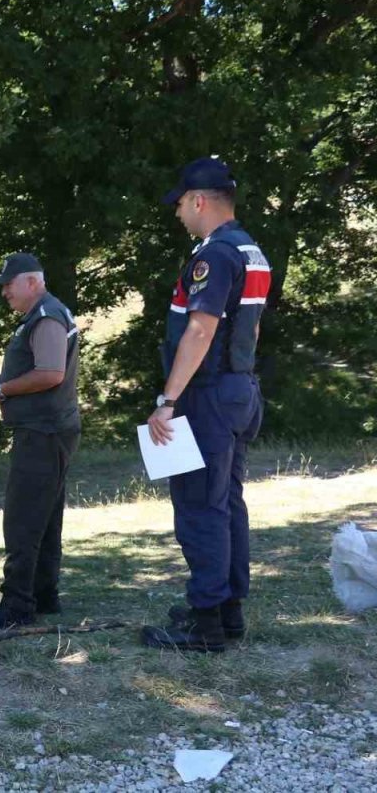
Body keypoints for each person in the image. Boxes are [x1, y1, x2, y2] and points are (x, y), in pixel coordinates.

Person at [142, 157, 268, 653]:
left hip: (208, 394)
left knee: (200, 506)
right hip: (239, 389)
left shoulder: (212, 255)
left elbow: (201, 328)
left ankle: (206, 623)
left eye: (179, 204)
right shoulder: (250, 250)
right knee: (228, 502)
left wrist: (167, 400)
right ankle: (228, 609)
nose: (177, 213)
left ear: (199, 200)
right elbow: (250, 327)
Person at [0, 254, 81, 630]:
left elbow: (51, 373)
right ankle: (44, 594)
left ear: (32, 281)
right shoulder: (46, 314)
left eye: (9, 283)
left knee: (22, 518)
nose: (4, 291)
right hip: (51, 429)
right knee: (45, 516)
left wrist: (1, 390)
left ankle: (17, 604)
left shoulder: (47, 316)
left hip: (43, 431)